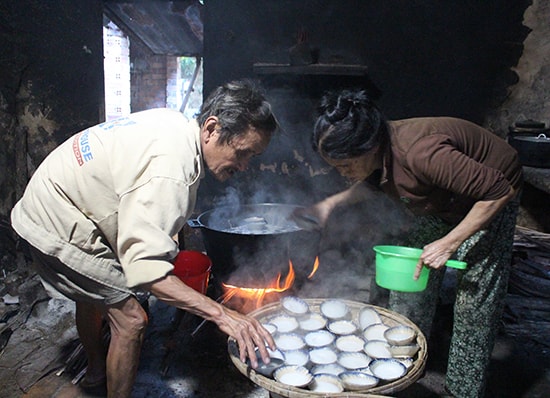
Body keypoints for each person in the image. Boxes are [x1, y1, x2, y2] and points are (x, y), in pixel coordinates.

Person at [10, 80, 278, 398]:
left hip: (50, 195)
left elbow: (152, 202)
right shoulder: (173, 172)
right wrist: (223, 314)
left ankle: (96, 372)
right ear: (211, 128)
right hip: (57, 220)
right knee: (132, 319)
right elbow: (146, 272)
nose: (245, 165)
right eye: (243, 152)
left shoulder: (176, 124)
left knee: (95, 290)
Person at [297, 88, 522, 398]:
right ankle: (405, 364)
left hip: (491, 194)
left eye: (346, 166)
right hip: (445, 198)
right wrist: (330, 204)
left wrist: (449, 243)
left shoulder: (422, 153)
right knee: (411, 272)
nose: (344, 174)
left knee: (473, 297)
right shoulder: (379, 150)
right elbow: (372, 183)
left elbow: (499, 191)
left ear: (369, 146)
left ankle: (462, 389)